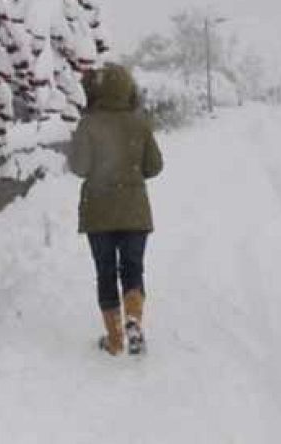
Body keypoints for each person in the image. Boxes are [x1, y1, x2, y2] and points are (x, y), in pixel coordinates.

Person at [68, 63, 164, 356]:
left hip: (98, 212)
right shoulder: (140, 122)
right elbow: (154, 166)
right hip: (134, 212)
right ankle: (133, 319)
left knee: (106, 272)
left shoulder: (89, 124)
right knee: (133, 268)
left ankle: (115, 339)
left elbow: (79, 167)